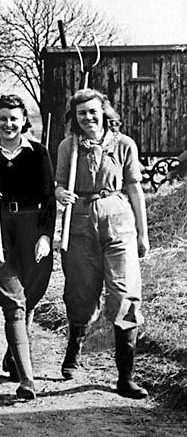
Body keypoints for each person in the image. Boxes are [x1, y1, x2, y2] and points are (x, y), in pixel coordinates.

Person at [55, 88, 149, 399]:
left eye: (93, 111)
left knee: (124, 295)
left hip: (118, 222)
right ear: (75, 117)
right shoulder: (68, 146)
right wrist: (60, 194)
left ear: (104, 112)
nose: (88, 117)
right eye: (81, 113)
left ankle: (125, 377)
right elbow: (58, 184)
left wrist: (143, 233)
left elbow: (135, 189)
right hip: (80, 223)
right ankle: (74, 347)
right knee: (81, 294)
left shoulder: (124, 145)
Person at [0, 95, 55, 400]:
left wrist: (46, 237)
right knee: (14, 302)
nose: (8, 124)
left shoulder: (38, 152)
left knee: (29, 297)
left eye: (14, 118)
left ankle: (14, 351)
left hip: (32, 229)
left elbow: (49, 199)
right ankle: (27, 380)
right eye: (3, 118)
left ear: (23, 121)